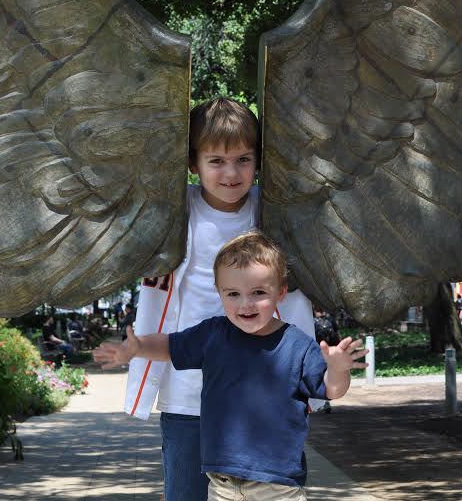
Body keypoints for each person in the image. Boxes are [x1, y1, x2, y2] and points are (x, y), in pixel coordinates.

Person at [124, 98, 317, 501]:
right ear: (193, 163)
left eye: (244, 160)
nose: (231, 173)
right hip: (187, 394)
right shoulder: (172, 212)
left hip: (262, 394)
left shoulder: (277, 213)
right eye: (216, 161)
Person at [95, 232, 367, 499]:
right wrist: (137, 348)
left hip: (276, 486)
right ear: (220, 293)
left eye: (258, 292)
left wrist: (338, 369)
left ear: (280, 292)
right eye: (233, 293)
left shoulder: (297, 344)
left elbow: (332, 390)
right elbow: (170, 345)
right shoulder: (213, 334)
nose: (245, 303)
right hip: (222, 484)